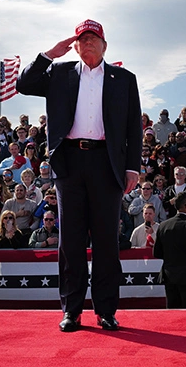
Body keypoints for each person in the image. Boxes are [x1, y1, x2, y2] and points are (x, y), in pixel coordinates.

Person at [15, 19, 141, 332]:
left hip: (106, 163)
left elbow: (132, 127)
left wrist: (132, 167)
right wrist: (49, 54)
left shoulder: (124, 79)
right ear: (74, 45)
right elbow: (24, 84)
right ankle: (71, 310)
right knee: (70, 241)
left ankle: (106, 310)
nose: (88, 44)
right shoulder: (59, 72)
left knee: (106, 241)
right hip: (69, 162)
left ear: (105, 45)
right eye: (82, 39)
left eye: (93, 39)